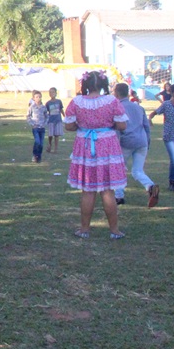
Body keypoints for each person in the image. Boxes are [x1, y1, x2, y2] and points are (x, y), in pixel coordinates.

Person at [65, 70, 128, 240]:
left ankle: (84, 229)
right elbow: (122, 125)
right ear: (102, 84)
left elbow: (69, 126)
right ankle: (114, 230)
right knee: (107, 190)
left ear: (85, 84)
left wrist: (83, 126)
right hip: (107, 146)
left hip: (85, 146)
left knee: (88, 190)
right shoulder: (112, 101)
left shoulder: (76, 102)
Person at [112, 83, 160, 208]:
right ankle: (150, 186)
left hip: (126, 141)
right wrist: (147, 142)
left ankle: (119, 196)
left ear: (116, 93)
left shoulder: (117, 108)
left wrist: (114, 146)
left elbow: (117, 128)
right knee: (137, 170)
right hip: (141, 141)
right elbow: (146, 127)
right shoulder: (138, 107)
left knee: (119, 169)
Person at [27, 91, 48, 163]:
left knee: (41, 144)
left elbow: (46, 116)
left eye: (39, 97)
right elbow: (28, 116)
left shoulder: (43, 107)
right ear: (33, 98)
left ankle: (39, 156)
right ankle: (35, 155)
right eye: (36, 97)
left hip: (42, 127)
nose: (38, 98)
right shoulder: (32, 107)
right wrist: (32, 123)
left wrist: (45, 123)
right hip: (35, 127)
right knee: (37, 141)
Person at [45, 87, 64, 154]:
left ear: (56, 93)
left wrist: (65, 116)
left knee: (57, 135)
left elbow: (61, 109)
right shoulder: (48, 103)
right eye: (50, 92)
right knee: (50, 135)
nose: (51, 93)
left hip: (58, 120)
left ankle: (56, 148)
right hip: (51, 121)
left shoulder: (59, 101)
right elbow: (46, 112)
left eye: (53, 92)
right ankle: (50, 145)